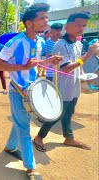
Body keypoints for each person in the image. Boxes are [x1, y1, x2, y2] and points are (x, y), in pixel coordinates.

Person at [0, 3, 62, 179]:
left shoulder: (39, 41)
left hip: (32, 90)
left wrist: (49, 61)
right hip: (18, 91)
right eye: (42, 18)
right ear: (29, 23)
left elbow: (36, 63)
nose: (46, 21)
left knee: (20, 121)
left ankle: (10, 147)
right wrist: (23, 66)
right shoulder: (15, 41)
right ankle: (31, 167)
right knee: (24, 127)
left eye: (46, 17)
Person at [33, 12, 99, 153]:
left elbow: (78, 65)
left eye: (83, 26)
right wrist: (88, 55)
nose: (81, 28)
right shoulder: (60, 46)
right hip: (63, 87)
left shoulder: (78, 44)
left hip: (74, 86)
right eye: (77, 25)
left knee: (69, 112)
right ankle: (39, 137)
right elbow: (66, 68)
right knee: (58, 114)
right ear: (67, 27)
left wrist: (85, 76)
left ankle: (69, 137)